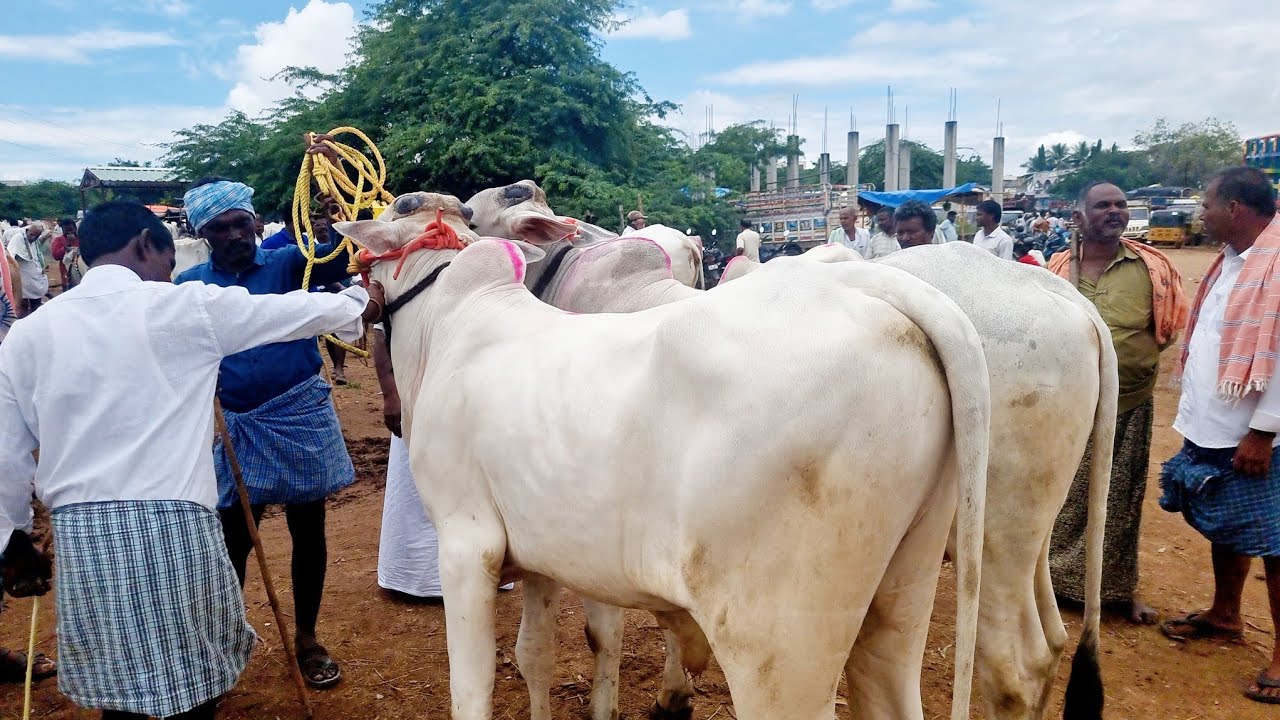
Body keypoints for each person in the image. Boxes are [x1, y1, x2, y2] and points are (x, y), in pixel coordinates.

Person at [0, 200, 381, 719]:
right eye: (167, 260)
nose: (169, 272)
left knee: (119, 688)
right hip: (174, 525)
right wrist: (364, 301)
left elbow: (6, 456)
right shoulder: (182, 306)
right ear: (146, 244)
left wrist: (14, 539)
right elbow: (297, 312)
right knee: (194, 689)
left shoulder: (26, 335)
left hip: (81, 536)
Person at [175, 176, 360, 689]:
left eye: (241, 223)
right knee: (234, 538)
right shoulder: (189, 285)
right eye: (220, 227)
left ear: (256, 223)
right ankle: (228, 640)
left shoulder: (288, 264)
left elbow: (339, 261)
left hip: (299, 414)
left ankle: (307, 638)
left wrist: (336, 213)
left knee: (309, 530)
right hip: (235, 423)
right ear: (203, 232)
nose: (235, 234)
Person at [1156, 167, 1280, 704]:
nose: (1199, 213)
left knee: (1276, 542)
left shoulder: (1276, 263)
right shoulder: (1231, 261)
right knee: (1229, 524)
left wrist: (1263, 431)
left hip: (1258, 433)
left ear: (1234, 208)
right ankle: (1226, 614)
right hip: (1216, 423)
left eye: (1206, 204)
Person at [1046, 180, 1187, 624]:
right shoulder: (1056, 269)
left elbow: (1167, 330)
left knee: (1120, 498)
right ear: (1079, 217)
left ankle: (1116, 590)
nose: (1115, 211)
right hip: (1069, 404)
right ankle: (1050, 583)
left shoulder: (1152, 267)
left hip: (1130, 401)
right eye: (1102, 205)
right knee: (1063, 493)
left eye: (1120, 205)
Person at [6, 222, 49, 313]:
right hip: (23, 277)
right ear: (27, 230)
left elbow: (37, 256)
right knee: (22, 303)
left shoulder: (36, 242)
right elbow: (11, 256)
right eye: (32, 234)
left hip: (35, 278)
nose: (33, 238)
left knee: (36, 302)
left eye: (36, 236)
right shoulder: (18, 239)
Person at [51, 218, 84, 291]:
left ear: (75, 228)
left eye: (71, 230)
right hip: (66, 273)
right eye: (66, 230)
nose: (69, 232)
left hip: (82, 272)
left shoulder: (82, 239)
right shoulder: (58, 240)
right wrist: (66, 246)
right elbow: (55, 256)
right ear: (62, 230)